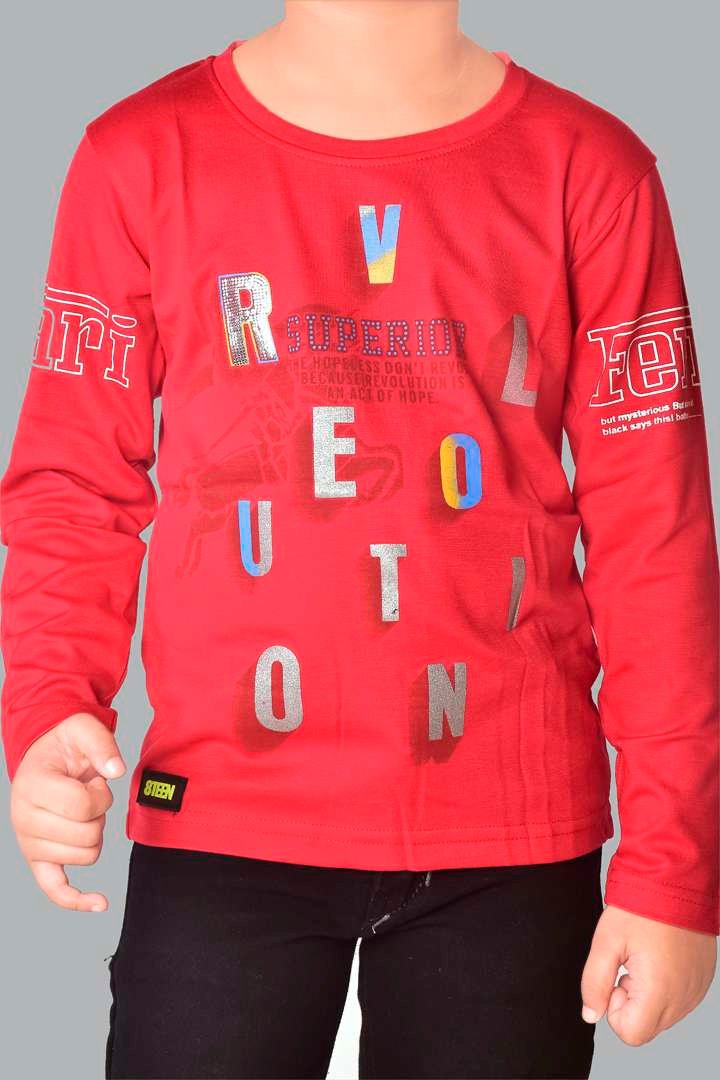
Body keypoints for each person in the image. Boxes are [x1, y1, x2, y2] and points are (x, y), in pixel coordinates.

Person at [1, 2, 717, 1077]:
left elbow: (655, 534)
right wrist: (51, 704)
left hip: (511, 842)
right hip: (216, 821)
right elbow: (76, 482)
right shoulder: (137, 156)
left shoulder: (592, 170)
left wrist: (673, 866)